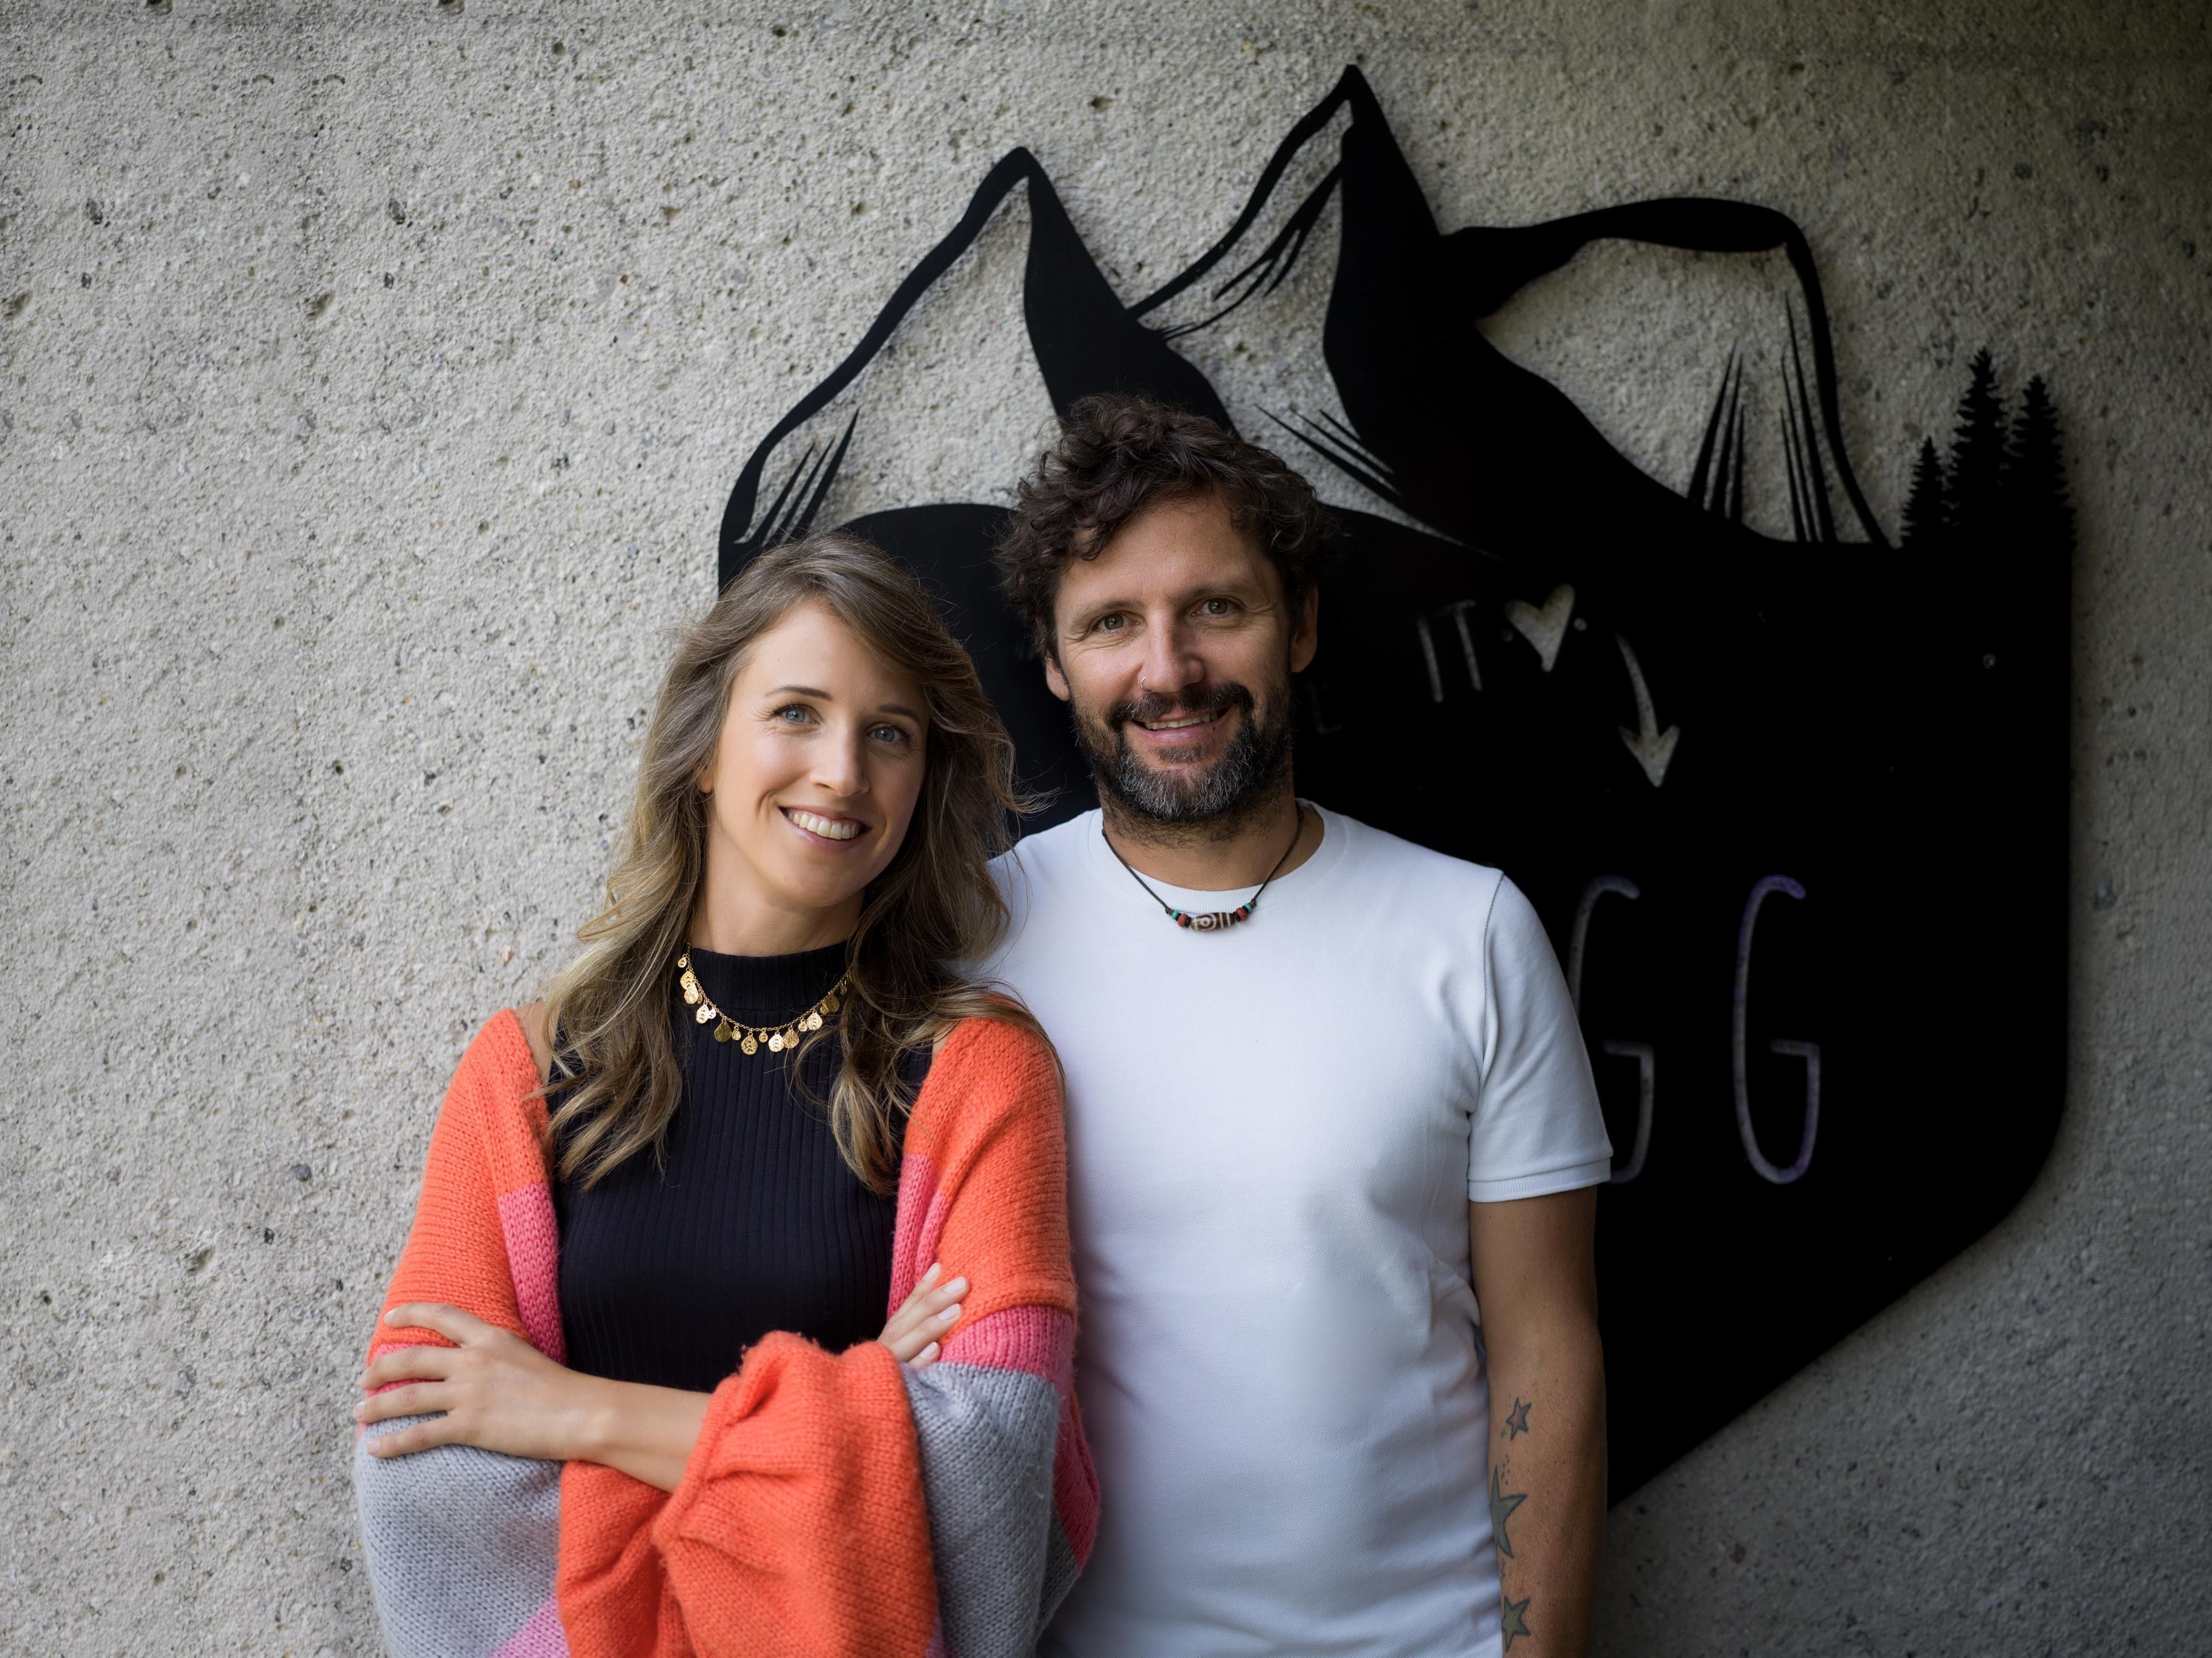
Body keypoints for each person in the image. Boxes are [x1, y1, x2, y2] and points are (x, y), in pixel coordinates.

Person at [349, 533, 1097, 1658]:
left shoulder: (976, 1068)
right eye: (796, 712)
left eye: (889, 733)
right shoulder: (528, 1071)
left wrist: (574, 1410)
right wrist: (861, 1414)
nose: (841, 771)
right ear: (703, 748)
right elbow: (422, 1462)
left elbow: (990, 1459)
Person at [986, 395, 1613, 1658]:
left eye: (1216, 606)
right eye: (1111, 623)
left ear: (1302, 624)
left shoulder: (1472, 932)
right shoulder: (972, 948)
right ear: (1053, 660)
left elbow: (1548, 1349)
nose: (1168, 670)